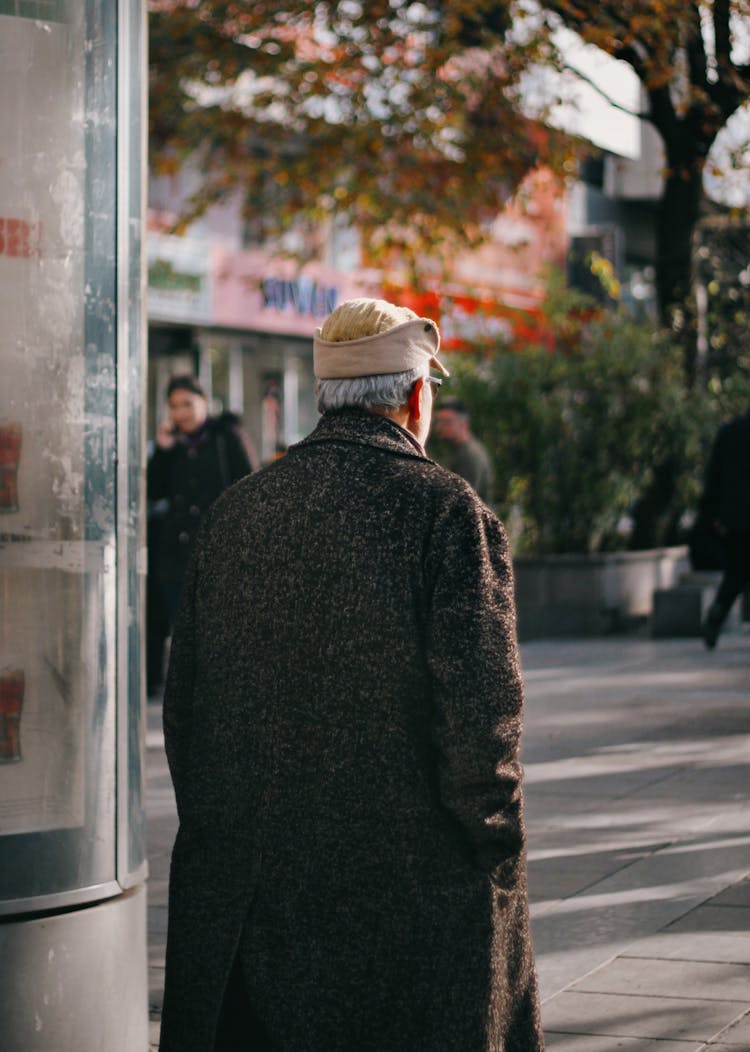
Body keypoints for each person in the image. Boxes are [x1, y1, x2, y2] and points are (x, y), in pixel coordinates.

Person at [159, 298, 543, 1052]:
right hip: (408, 903)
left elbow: (186, 712)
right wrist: (497, 848)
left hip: (252, 906)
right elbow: (482, 727)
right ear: (412, 395)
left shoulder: (238, 512)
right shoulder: (447, 514)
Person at [147, 374, 257, 638]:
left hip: (220, 556)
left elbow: (251, 487)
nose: (181, 413)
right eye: (174, 407)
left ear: (204, 402)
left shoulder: (226, 437)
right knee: (183, 635)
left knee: (219, 634)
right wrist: (163, 451)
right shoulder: (172, 446)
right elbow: (154, 492)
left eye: (187, 404)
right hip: (177, 560)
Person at [700, 407, 750, 649]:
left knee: (735, 573)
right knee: (737, 573)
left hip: (735, 519)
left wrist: (712, 515)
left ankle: (717, 614)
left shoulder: (730, 431)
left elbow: (714, 476)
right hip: (737, 517)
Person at [432, 395, 494, 503]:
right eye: (439, 421)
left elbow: (465, 499)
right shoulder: (455, 450)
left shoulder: (470, 455)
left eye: (447, 422)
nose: (440, 427)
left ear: (463, 425)